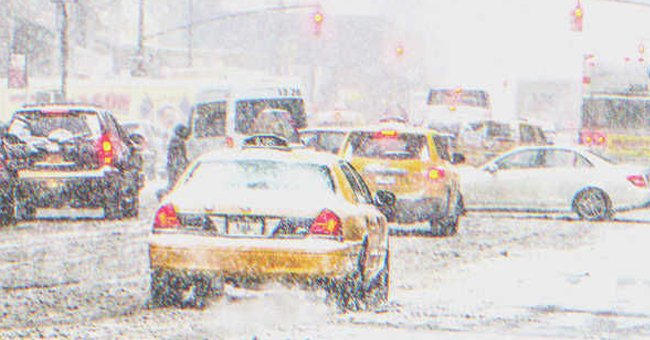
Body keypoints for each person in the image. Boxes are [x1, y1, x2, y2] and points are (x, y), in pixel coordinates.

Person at [166, 124, 190, 189]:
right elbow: (180, 157)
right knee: (176, 185)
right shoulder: (177, 142)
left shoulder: (177, 141)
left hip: (174, 168)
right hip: (176, 169)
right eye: (184, 132)